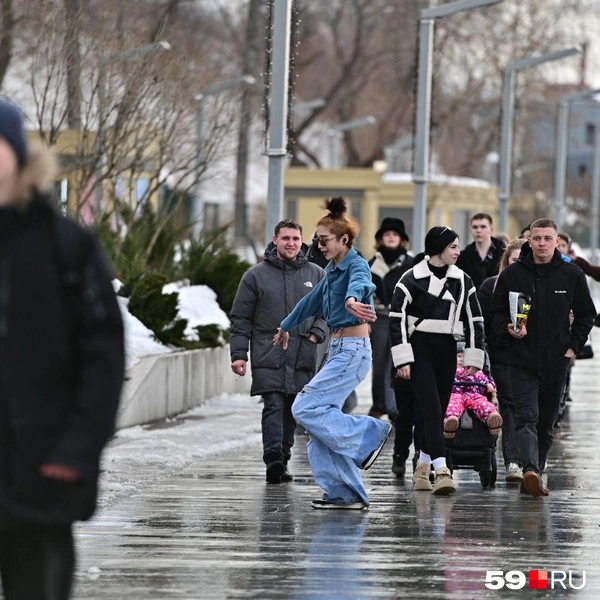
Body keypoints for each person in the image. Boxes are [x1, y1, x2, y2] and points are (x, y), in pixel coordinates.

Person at [0, 100, 125, 599]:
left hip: (41, 473)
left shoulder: (66, 247)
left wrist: (76, 450)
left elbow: (103, 359)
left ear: (19, 157)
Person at [273, 197, 392, 510]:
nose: (319, 246)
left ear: (344, 240)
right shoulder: (332, 271)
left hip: (352, 351)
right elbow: (310, 303)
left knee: (304, 407)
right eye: (317, 240)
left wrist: (353, 300)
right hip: (339, 349)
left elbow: (361, 284)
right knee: (319, 428)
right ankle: (345, 493)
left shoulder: (356, 265)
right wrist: (286, 326)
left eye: (324, 241)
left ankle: (369, 432)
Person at [488, 218, 596, 497]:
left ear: (557, 241)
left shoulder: (570, 275)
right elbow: (496, 313)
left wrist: (573, 346)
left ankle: (535, 470)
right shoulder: (513, 275)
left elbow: (586, 314)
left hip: (556, 359)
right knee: (526, 417)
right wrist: (507, 328)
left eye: (548, 239)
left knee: (546, 422)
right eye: (537, 239)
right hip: (520, 359)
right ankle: (530, 470)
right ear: (529, 241)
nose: (543, 244)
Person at [230, 219, 328, 484]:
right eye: (285, 238)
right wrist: (239, 354)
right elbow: (241, 318)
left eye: (295, 239)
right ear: (275, 240)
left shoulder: (317, 274)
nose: (291, 244)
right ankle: (273, 459)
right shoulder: (255, 276)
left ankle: (283, 456)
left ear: (302, 241)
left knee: (292, 407)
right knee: (273, 403)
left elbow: (326, 311)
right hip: (268, 351)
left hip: (303, 353)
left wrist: (315, 334)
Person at [390, 226, 485, 495]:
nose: (458, 251)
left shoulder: (463, 280)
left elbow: (475, 320)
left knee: (438, 411)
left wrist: (474, 356)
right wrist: (402, 360)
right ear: (439, 249)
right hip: (419, 349)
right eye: (453, 246)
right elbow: (396, 321)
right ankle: (441, 470)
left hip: (447, 348)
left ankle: (422, 464)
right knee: (432, 410)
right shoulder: (410, 279)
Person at [478, 239, 524, 483]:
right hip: (500, 354)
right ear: (507, 262)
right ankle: (513, 461)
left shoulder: (536, 286)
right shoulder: (491, 286)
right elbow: (480, 323)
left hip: (530, 356)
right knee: (509, 404)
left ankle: (528, 457)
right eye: (515, 260)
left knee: (528, 408)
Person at [368, 217, 414, 420]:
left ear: (401, 239)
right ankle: (379, 404)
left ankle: (395, 406)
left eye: (394, 234)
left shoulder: (410, 263)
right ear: (381, 238)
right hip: (378, 317)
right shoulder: (371, 263)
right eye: (387, 234)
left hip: (402, 318)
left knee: (398, 362)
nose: (391, 238)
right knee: (379, 363)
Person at [443, 349, 502, 439]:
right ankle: (451, 421)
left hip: (475, 395)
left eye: (465, 357)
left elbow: (487, 381)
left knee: (483, 404)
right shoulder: (451, 371)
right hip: (456, 395)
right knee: (451, 405)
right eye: (459, 356)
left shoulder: (478, 373)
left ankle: (491, 418)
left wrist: (490, 386)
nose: (462, 359)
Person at [456, 213, 506, 289]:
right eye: (475, 227)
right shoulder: (462, 257)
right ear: (471, 230)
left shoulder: (503, 254)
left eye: (483, 227)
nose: (478, 230)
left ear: (491, 229)